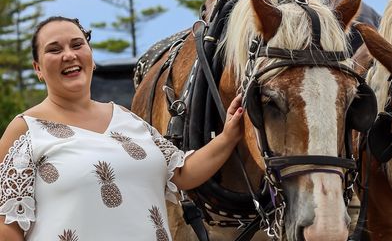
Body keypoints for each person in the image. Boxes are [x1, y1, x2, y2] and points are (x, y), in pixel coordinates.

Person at [0, 16, 244, 240]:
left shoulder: (126, 118)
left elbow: (181, 172)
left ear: (91, 57)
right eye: (54, 49)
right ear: (38, 69)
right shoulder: (25, 130)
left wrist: (228, 136)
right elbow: (6, 226)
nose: (69, 55)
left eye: (77, 45)